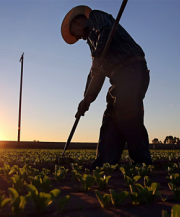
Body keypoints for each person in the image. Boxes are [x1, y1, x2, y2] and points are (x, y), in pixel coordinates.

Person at [61, 5, 153, 168]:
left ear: (76, 22)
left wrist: (97, 58)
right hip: (119, 78)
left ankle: (142, 163)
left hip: (132, 69)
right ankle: (104, 163)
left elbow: (106, 29)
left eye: (76, 35)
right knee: (111, 118)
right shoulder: (92, 43)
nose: (79, 38)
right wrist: (86, 100)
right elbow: (96, 74)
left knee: (127, 113)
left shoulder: (96, 17)